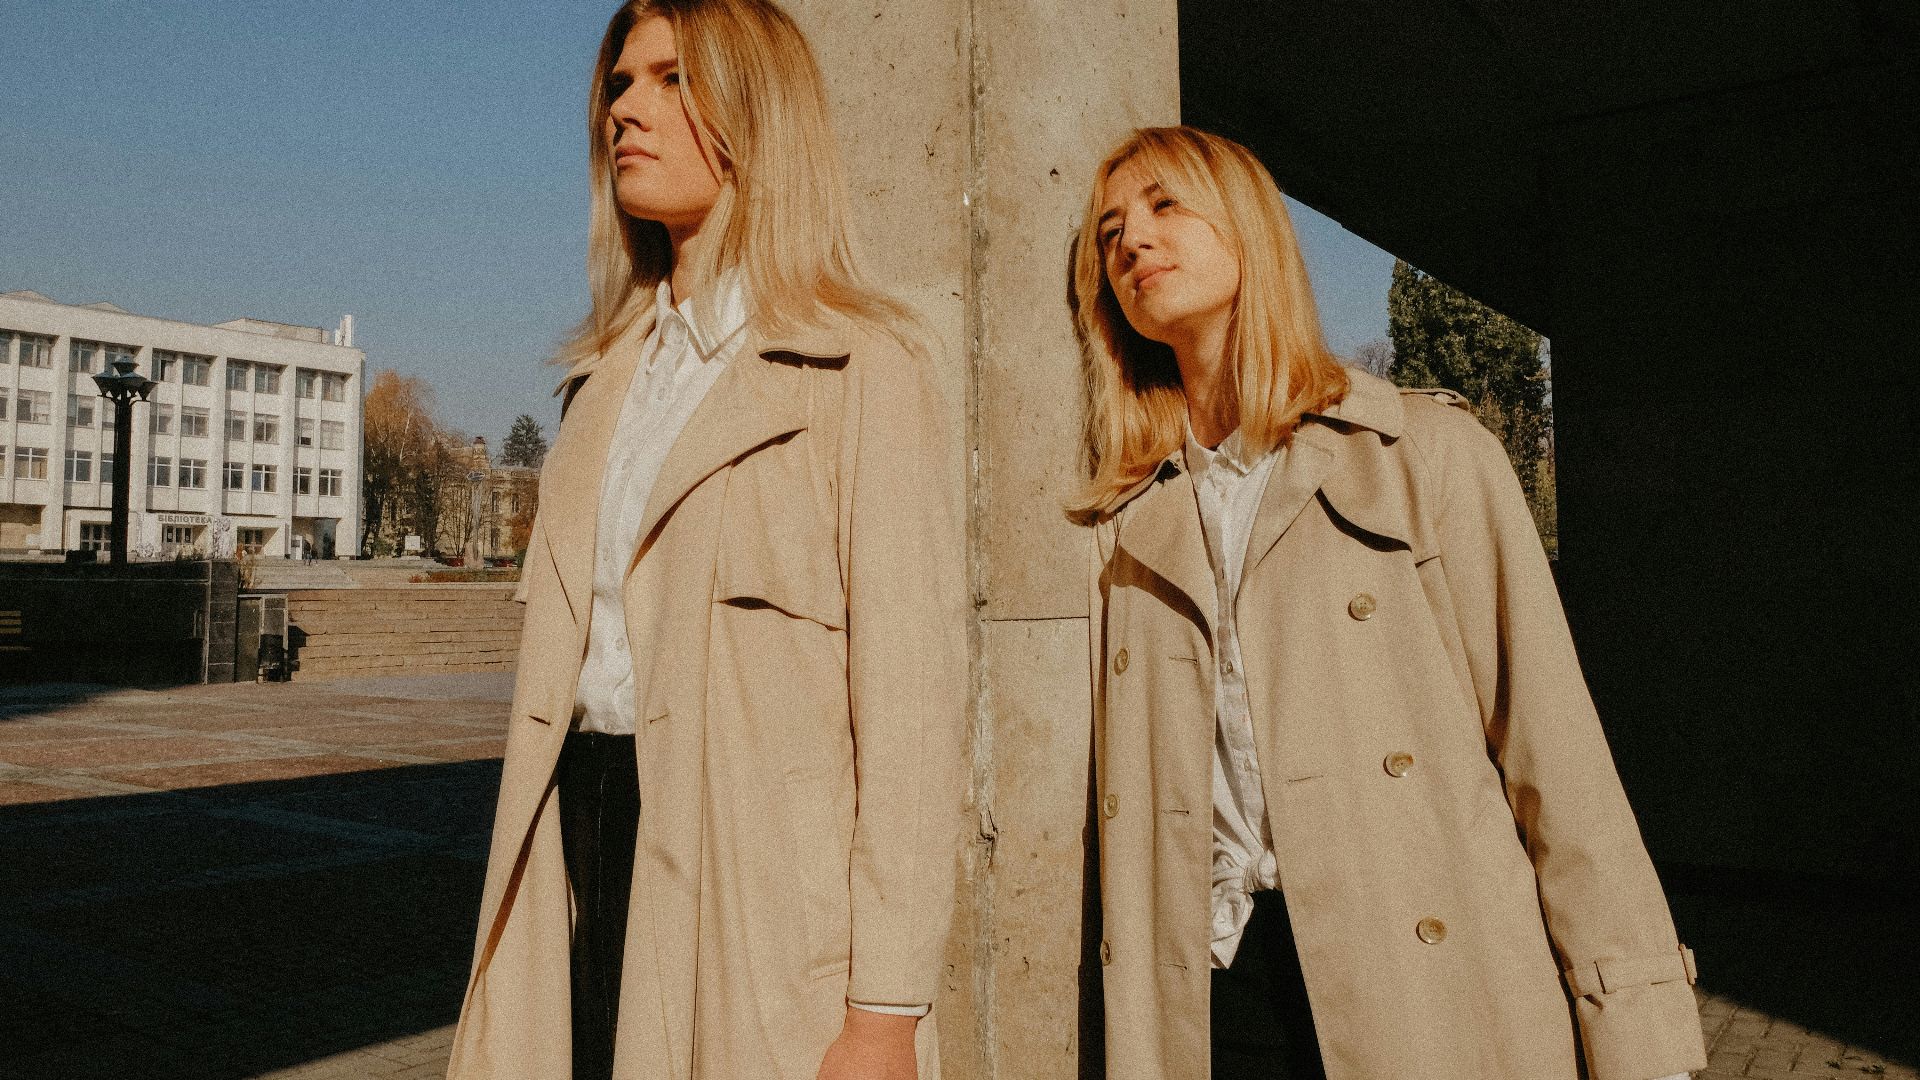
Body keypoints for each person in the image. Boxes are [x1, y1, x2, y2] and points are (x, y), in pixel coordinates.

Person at [1073, 125, 1708, 1080]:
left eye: (1165, 206)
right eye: (1110, 229)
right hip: (1214, 995)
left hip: (1422, 987)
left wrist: (1638, 1031)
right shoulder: (1127, 518)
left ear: (1247, 229)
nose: (1131, 241)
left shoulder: (1423, 455)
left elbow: (1554, 754)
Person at [446, 3, 967, 1078]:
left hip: (759, 901)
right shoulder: (600, 388)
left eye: (670, 77)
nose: (624, 108)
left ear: (756, 112)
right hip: (582, 852)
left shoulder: (863, 372)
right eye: (620, 82)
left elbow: (912, 722)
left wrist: (885, 1013)